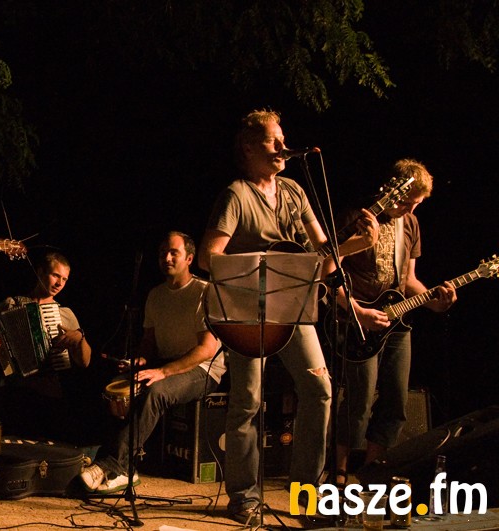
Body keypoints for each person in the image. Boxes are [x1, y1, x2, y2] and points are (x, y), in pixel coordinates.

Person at [197, 109, 377, 523]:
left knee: (319, 389)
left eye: (283, 139)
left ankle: (305, 494)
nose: (283, 147)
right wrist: (259, 266)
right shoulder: (236, 195)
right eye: (272, 141)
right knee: (248, 400)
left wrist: (354, 246)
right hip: (247, 312)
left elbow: (321, 260)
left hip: (293, 306)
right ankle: (244, 497)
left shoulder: (295, 191)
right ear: (248, 148)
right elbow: (208, 257)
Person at [332, 159, 456, 486]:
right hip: (359, 319)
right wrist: (357, 311)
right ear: (392, 189)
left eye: (417, 204)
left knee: (396, 401)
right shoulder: (357, 218)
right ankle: (339, 472)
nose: (411, 209)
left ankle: (372, 471)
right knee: (358, 400)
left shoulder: (410, 224)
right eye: (407, 201)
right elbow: (329, 272)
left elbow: (409, 280)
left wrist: (434, 300)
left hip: (397, 321)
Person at [80, 231, 226, 495]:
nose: (166, 258)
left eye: (173, 253)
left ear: (189, 258)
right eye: (162, 253)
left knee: (156, 391)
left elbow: (207, 350)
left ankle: (113, 465)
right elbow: (149, 345)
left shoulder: (204, 292)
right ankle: (121, 465)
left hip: (203, 370)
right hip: (167, 364)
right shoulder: (155, 295)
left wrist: (162, 371)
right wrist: (138, 361)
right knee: (115, 388)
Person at [0, 251, 93, 443]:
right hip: (13, 391)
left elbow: (84, 361)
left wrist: (80, 338)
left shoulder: (65, 314)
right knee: (6, 447)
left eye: (64, 279)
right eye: (55, 275)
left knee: (43, 449)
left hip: (47, 394)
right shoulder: (10, 304)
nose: (60, 283)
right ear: (40, 272)